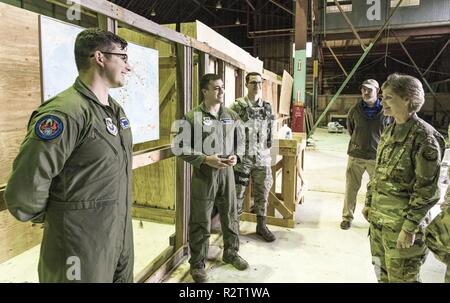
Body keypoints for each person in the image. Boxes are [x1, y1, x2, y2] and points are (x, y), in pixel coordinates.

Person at [4, 28, 134, 283]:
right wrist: (59, 216)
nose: (129, 67)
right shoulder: (65, 113)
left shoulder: (114, 111)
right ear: (100, 57)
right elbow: (25, 189)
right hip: (78, 247)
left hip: (117, 237)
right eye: (123, 58)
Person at [362, 73, 445, 282]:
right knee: (382, 276)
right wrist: (369, 202)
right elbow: (379, 172)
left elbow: (426, 191)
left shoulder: (425, 138)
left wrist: (409, 229)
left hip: (402, 231)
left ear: (407, 99)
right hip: (379, 225)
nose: (383, 102)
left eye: (389, 97)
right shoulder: (389, 131)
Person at [175, 73, 248, 283]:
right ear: (205, 91)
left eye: (222, 87)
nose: (221, 91)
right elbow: (179, 147)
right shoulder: (191, 117)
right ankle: (197, 264)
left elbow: (241, 141)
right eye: (216, 88)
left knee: (231, 214)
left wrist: (237, 156)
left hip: (227, 175)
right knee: (200, 219)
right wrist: (205, 159)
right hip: (204, 176)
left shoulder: (231, 116)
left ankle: (231, 252)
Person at [230, 72, 276, 242]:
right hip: (242, 158)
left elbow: (271, 130)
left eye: (258, 83)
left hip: (262, 157)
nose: (256, 85)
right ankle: (233, 229)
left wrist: (267, 148)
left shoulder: (267, 107)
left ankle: (261, 225)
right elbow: (227, 130)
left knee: (262, 192)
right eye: (252, 82)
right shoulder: (237, 106)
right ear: (246, 84)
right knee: (237, 193)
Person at [341, 79, 391, 230]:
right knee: (351, 188)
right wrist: (359, 142)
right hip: (356, 155)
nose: (366, 92)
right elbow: (351, 129)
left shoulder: (386, 111)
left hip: (376, 157)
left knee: (377, 189)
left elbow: (390, 132)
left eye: (369, 90)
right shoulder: (355, 110)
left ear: (377, 91)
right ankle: (347, 217)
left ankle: (374, 217)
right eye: (363, 90)